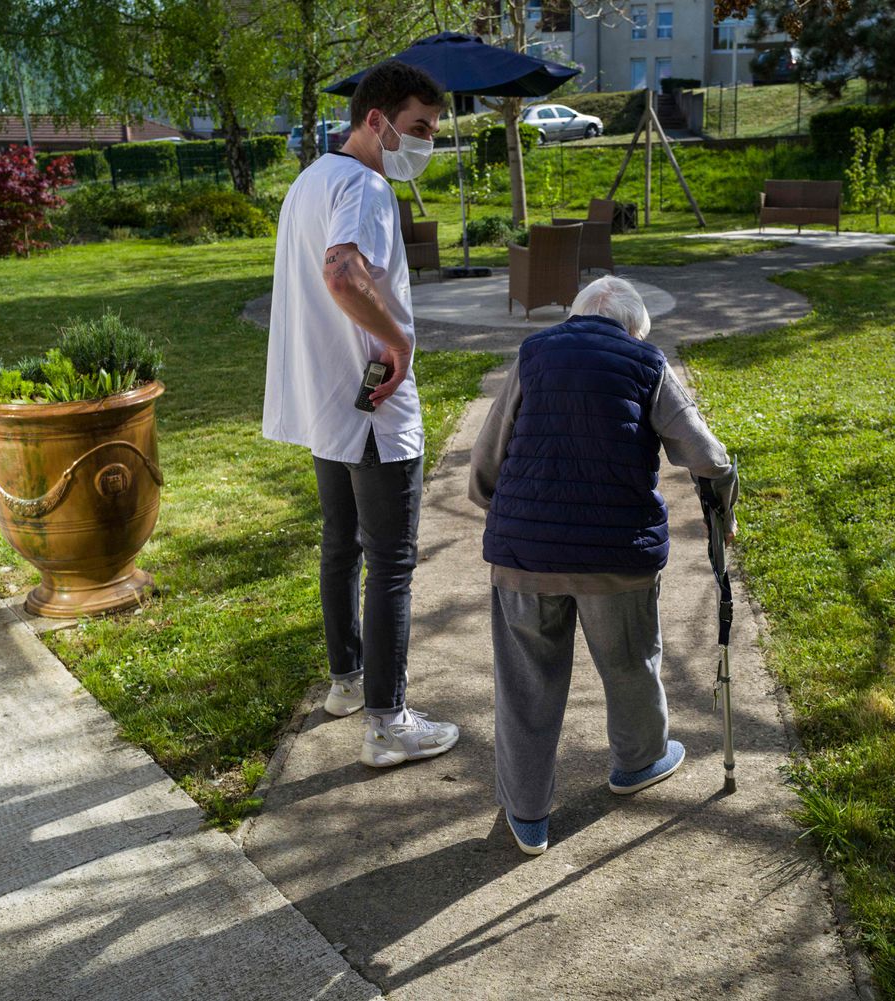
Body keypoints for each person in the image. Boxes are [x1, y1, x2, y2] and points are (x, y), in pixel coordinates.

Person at [468, 276, 738, 855]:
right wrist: (724, 516)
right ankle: (638, 762)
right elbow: (709, 459)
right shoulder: (647, 362)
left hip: (524, 557)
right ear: (636, 327)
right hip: (616, 557)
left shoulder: (533, 354)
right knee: (630, 662)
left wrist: (503, 507)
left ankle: (527, 814)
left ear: (575, 317)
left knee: (525, 685)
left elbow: (489, 453)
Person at [262, 61, 460, 768]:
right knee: (393, 562)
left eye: (432, 131)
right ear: (376, 121)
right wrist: (400, 340)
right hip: (374, 405)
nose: (425, 143)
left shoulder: (310, 181)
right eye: (418, 128)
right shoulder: (367, 185)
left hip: (327, 405)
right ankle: (389, 721)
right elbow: (342, 271)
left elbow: (334, 273)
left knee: (341, 545)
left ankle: (347, 682)